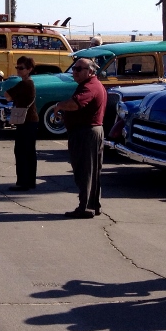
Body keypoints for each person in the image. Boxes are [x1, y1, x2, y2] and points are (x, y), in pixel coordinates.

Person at [53, 57, 107, 218]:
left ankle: (86, 207)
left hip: (86, 133)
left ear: (90, 71)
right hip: (87, 131)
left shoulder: (90, 87)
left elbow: (76, 103)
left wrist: (60, 106)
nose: (74, 72)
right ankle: (93, 204)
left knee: (85, 171)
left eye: (78, 69)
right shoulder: (90, 85)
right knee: (91, 170)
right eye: (74, 69)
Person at [7, 56, 40, 191]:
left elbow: (7, 95)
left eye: (21, 68)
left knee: (22, 151)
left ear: (29, 69)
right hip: (30, 121)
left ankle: (23, 182)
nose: (18, 70)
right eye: (17, 67)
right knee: (29, 151)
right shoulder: (28, 83)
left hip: (26, 120)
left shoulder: (24, 84)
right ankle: (29, 181)